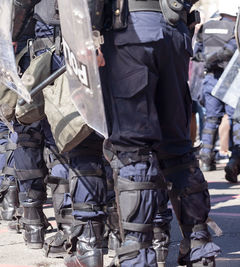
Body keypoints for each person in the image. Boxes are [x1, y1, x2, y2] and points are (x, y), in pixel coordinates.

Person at [100, 0, 221, 266]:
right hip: (174, 31)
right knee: (177, 146)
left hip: (130, 34)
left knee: (133, 148)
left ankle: (138, 254)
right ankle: (199, 243)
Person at [193, 3, 239, 174]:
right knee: (236, 121)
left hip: (211, 78)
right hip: (232, 80)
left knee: (211, 120)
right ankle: (234, 162)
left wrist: (209, 59)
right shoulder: (236, 29)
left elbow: (196, 54)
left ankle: (206, 160)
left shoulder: (206, 27)